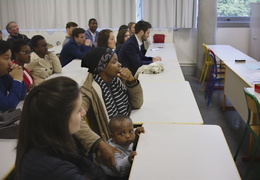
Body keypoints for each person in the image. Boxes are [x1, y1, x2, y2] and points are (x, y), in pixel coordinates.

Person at [15, 76, 106, 180]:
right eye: (78, 110)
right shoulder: (57, 170)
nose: (83, 112)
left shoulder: (44, 140)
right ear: (60, 119)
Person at [79, 47, 143, 143]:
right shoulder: (88, 91)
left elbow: (136, 104)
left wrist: (132, 81)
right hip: (111, 142)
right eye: (114, 62)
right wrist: (98, 144)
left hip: (127, 132)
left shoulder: (117, 80)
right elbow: (76, 118)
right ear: (102, 67)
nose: (119, 64)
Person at [101, 114, 145, 180]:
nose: (128, 136)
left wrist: (136, 132)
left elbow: (130, 131)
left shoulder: (125, 140)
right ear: (112, 137)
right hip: (116, 175)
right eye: (122, 134)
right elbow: (118, 167)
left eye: (130, 131)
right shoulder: (113, 150)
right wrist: (128, 159)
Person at [0, 40, 27, 112]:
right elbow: (8, 107)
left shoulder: (4, 75)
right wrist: (17, 79)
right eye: (6, 58)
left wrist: (20, 78)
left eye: (10, 58)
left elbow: (22, 95)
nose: (10, 63)